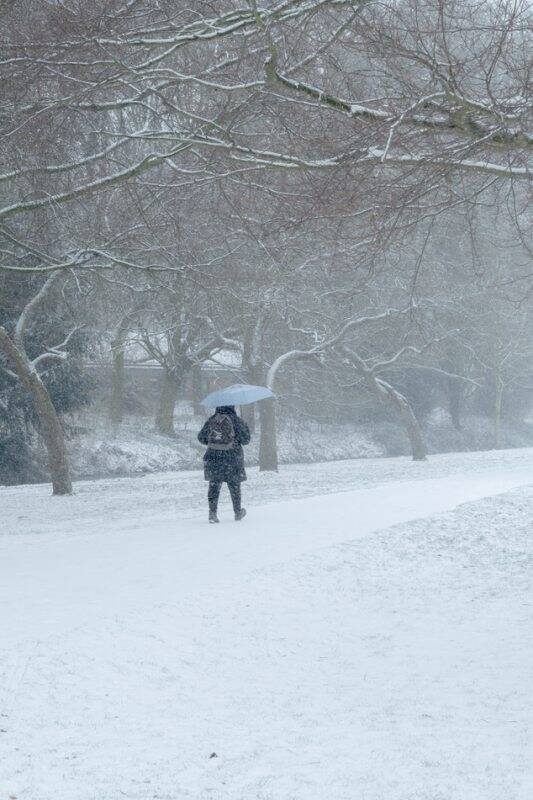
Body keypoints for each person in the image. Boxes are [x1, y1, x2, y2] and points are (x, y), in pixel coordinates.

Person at [198, 405, 251, 523]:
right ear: (232, 407)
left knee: (214, 486)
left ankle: (212, 513)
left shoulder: (212, 420)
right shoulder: (236, 420)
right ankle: (237, 512)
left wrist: (214, 442)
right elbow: (246, 440)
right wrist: (244, 427)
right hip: (232, 458)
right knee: (234, 486)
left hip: (213, 458)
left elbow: (201, 438)